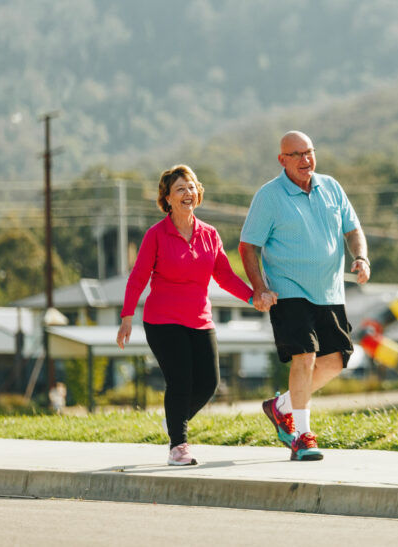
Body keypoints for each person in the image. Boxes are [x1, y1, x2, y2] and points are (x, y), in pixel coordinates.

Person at [117, 164, 268, 466]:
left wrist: (253, 296)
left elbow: (224, 276)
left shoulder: (209, 234)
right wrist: (126, 316)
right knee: (181, 381)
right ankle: (178, 446)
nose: (187, 193)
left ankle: (175, 422)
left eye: (191, 187)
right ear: (167, 199)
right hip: (162, 321)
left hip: (199, 318)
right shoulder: (156, 235)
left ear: (198, 192)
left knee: (209, 383)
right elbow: (138, 277)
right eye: (179, 189)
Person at [239, 131, 370, 461]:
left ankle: (281, 406)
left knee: (338, 358)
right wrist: (260, 287)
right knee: (305, 356)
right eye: (296, 154)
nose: (304, 160)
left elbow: (352, 229)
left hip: (329, 290)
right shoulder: (269, 196)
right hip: (288, 291)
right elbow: (248, 245)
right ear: (282, 160)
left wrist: (360, 257)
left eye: (309, 152)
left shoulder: (331, 186)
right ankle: (302, 436)